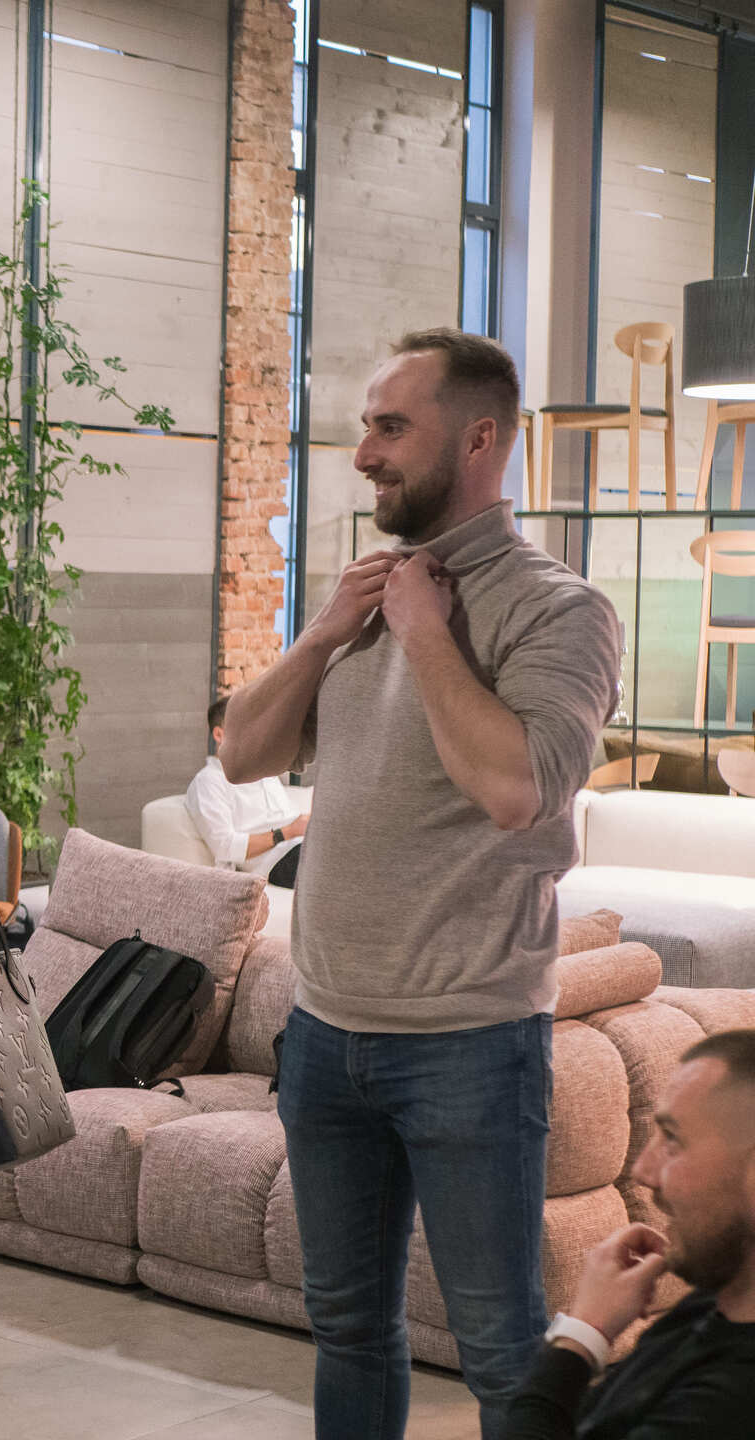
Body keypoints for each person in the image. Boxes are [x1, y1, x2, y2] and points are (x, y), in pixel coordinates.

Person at [219, 328, 623, 1440]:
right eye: (367, 428)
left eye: (391, 428)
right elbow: (243, 753)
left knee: (499, 1347)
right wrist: (324, 633)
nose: (364, 455)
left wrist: (430, 637)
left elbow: (515, 789)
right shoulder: (363, 598)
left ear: (479, 439)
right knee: (347, 1327)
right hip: (323, 1035)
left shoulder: (559, 611)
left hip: (470, 1044)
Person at [507, 1029, 755, 1437]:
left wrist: (580, 1334)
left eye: (672, 1140)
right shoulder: (713, 1305)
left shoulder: (727, 1405)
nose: (642, 1171)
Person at [185, 696, 310, 886]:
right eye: (246, 726)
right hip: (279, 860)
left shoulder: (266, 771)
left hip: (306, 844)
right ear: (219, 734)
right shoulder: (209, 781)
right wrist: (288, 832)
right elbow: (224, 846)